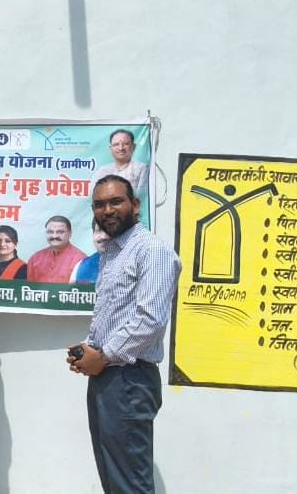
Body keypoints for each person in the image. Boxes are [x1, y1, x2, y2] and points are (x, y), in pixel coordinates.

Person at [67, 175, 181, 493]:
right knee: (114, 479)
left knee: (129, 484)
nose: (107, 210)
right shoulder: (114, 252)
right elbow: (114, 315)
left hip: (129, 380)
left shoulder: (151, 250)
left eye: (116, 201)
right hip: (108, 378)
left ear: (135, 205)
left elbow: (150, 320)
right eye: (99, 205)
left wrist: (103, 356)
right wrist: (89, 350)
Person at [27, 216, 87, 283]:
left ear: (70, 234)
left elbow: (83, 288)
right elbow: (29, 287)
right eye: (50, 232)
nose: (54, 236)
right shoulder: (35, 259)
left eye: (60, 232)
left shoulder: (81, 260)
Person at [93, 129, 148, 197]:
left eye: (126, 144)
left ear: (134, 147)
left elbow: (142, 196)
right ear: (111, 149)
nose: (121, 148)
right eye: (116, 144)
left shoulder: (141, 169)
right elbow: (92, 195)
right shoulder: (102, 170)